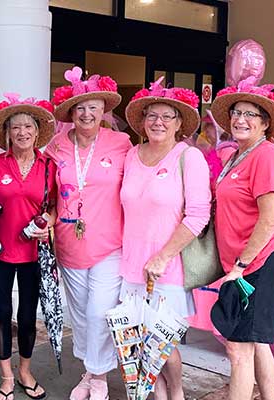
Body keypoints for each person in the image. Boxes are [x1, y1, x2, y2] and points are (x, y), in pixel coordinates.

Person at [45, 66, 132, 400]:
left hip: (110, 243)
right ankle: (90, 373)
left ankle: (100, 379)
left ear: (103, 111)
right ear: (71, 112)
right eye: (80, 107)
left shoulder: (122, 143)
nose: (86, 113)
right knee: (80, 315)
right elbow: (49, 196)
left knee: (100, 312)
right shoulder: (55, 147)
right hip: (69, 245)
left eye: (93, 107)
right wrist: (46, 221)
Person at [121, 78, 211, 400]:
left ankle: (176, 392)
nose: (158, 122)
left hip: (167, 268)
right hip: (131, 265)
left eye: (166, 117)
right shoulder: (131, 155)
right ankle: (156, 394)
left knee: (163, 341)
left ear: (178, 124)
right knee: (139, 341)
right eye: (152, 116)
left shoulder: (189, 158)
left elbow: (199, 215)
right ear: (143, 123)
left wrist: (162, 257)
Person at [210, 78, 274, 400]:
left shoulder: (265, 154)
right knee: (257, 343)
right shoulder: (239, 154)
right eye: (236, 112)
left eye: (250, 114)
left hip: (257, 264)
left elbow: (270, 218)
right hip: (244, 264)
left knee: (237, 350)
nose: (240, 119)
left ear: (265, 123)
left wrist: (241, 266)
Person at [0, 94, 57, 400]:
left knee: (28, 313)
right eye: (16, 128)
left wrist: (49, 224)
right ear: (8, 133)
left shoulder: (49, 165)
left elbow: (54, 206)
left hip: (34, 253)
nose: (23, 132)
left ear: (37, 132)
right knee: (2, 312)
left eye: (28, 126)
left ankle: (25, 371)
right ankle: (6, 377)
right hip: (1, 251)